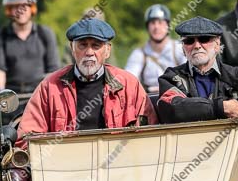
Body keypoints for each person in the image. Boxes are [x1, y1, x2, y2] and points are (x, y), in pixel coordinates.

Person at [157, 17, 238, 181]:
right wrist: (220, 107)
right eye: (189, 41)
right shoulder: (172, 78)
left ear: (217, 44)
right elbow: (173, 108)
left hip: (231, 162)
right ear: (184, 48)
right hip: (183, 162)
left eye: (204, 39)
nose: (197, 45)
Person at [17, 17, 157, 145]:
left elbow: (151, 135)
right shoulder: (49, 86)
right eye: (82, 45)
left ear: (107, 51)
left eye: (96, 46)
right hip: (66, 168)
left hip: (118, 168)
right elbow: (28, 138)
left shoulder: (129, 84)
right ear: (72, 48)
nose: (89, 52)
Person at [0, 0, 60, 119]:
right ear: (9, 10)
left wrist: (48, 94)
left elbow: (53, 69)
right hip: (11, 98)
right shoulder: (0, 37)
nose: (20, 10)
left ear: (32, 8)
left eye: (24, 6)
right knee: (6, 137)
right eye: (15, 6)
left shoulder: (45, 34)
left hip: (40, 97)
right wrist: (0, 92)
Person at [125, 4, 185, 94]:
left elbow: (190, 75)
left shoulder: (179, 48)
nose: (156, 27)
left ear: (168, 26)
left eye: (160, 22)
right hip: (149, 101)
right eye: (152, 23)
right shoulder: (139, 54)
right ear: (147, 27)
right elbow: (129, 80)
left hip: (178, 98)